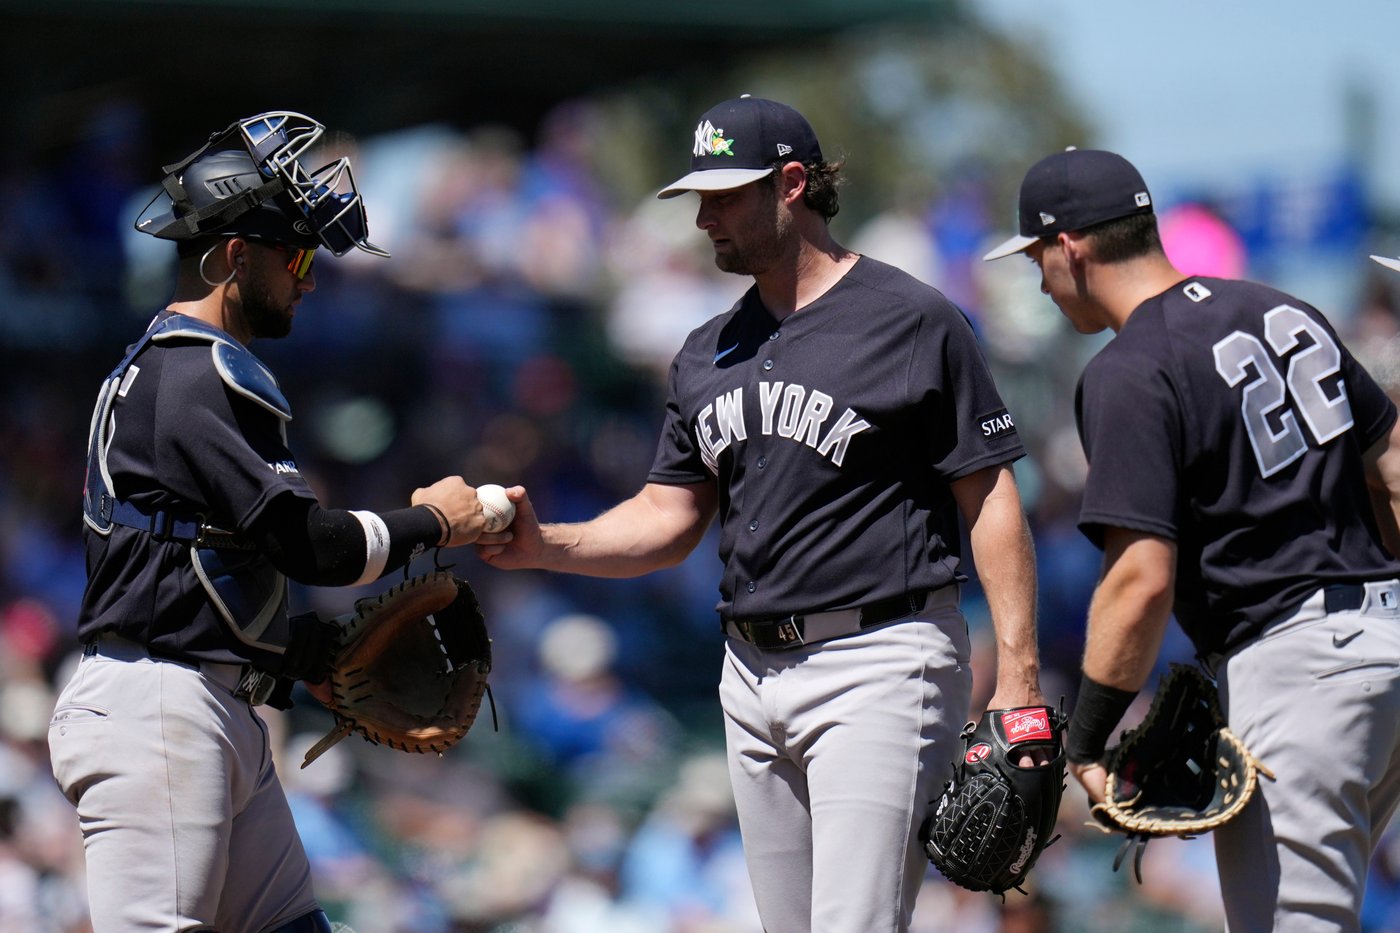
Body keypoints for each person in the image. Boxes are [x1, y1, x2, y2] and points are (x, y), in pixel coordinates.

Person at [478, 95, 1047, 932]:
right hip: (748, 672)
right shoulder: (706, 347)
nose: (703, 216)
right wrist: (545, 545)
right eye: (697, 197)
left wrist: (1021, 677)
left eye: (724, 194)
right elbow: (670, 517)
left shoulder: (912, 318)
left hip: (879, 658)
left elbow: (989, 495)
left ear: (791, 185)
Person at [47, 111, 491, 933]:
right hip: (157, 708)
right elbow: (311, 547)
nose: (308, 277)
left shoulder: (174, 369)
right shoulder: (194, 373)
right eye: (293, 253)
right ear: (234, 255)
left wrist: (296, 655)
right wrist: (437, 518)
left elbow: (189, 564)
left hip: (203, 700)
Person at [984, 146, 1400, 932]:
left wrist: (1088, 736)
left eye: (1038, 254)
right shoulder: (1287, 310)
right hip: (1385, 643)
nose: (1039, 277)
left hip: (1295, 672)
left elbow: (1140, 577)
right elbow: (1396, 466)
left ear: (1069, 245)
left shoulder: (1129, 367)